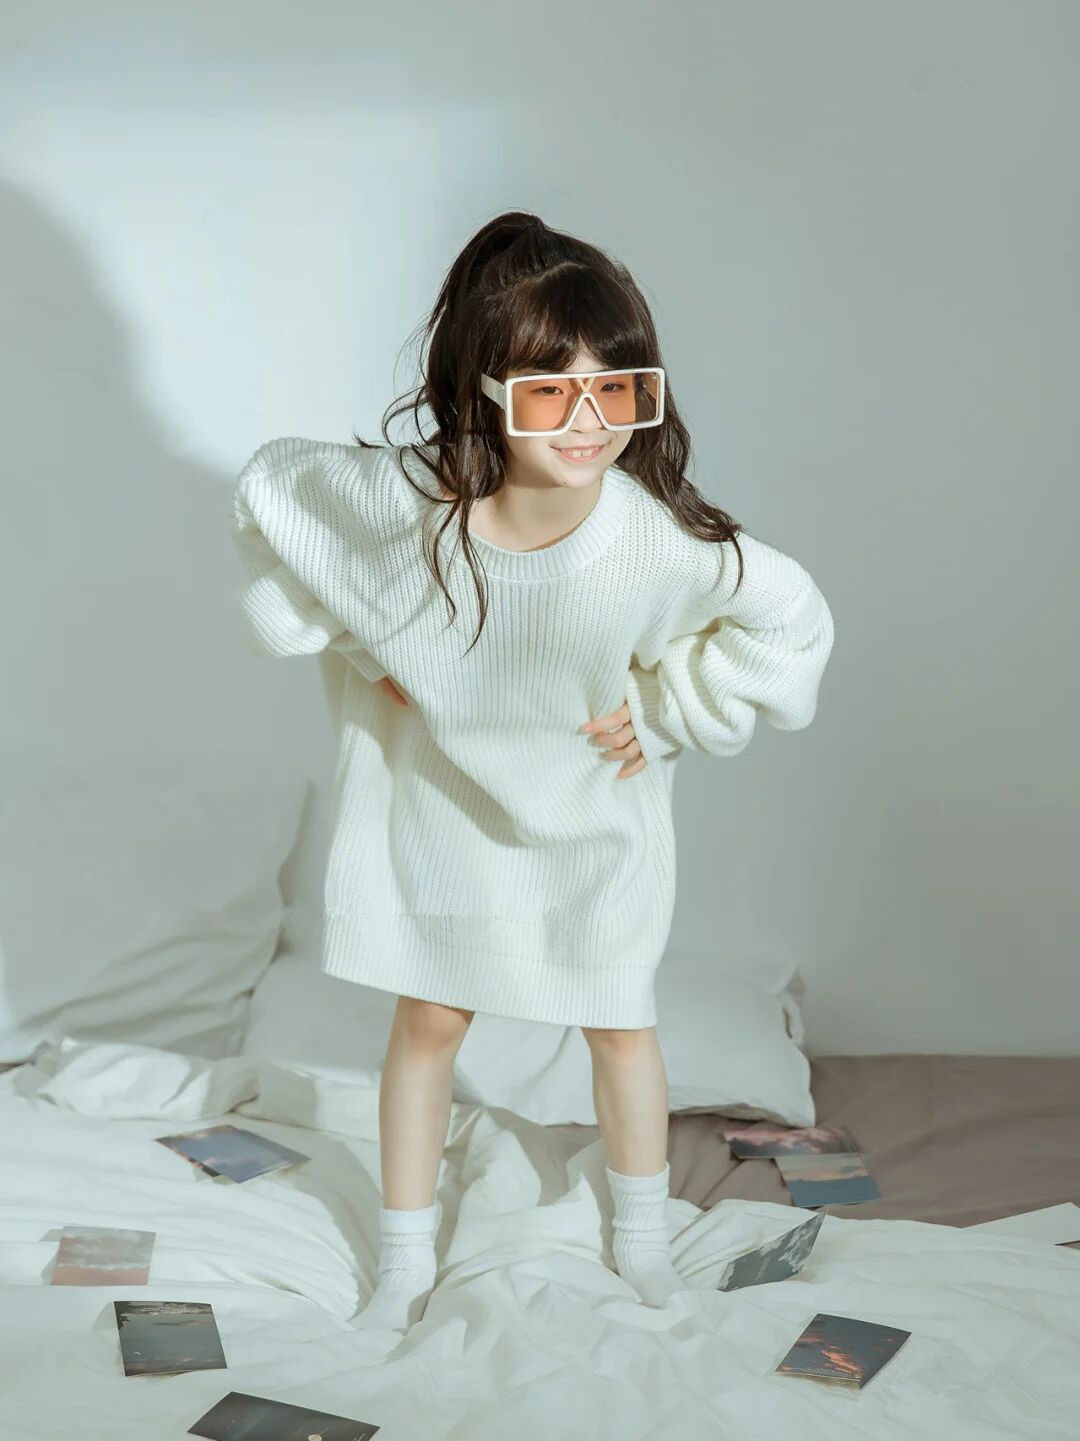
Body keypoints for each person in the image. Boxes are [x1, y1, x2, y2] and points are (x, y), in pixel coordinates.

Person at [230, 209, 835, 1331]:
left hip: (595, 823)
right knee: (429, 1025)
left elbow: (793, 621)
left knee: (620, 1024)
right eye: (553, 392)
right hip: (446, 814)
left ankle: (641, 1245)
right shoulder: (415, 505)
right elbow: (274, 493)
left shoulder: (654, 539)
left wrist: (670, 710)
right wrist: (370, 647)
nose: (590, 421)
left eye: (619, 389)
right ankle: (405, 1258)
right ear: (487, 391)